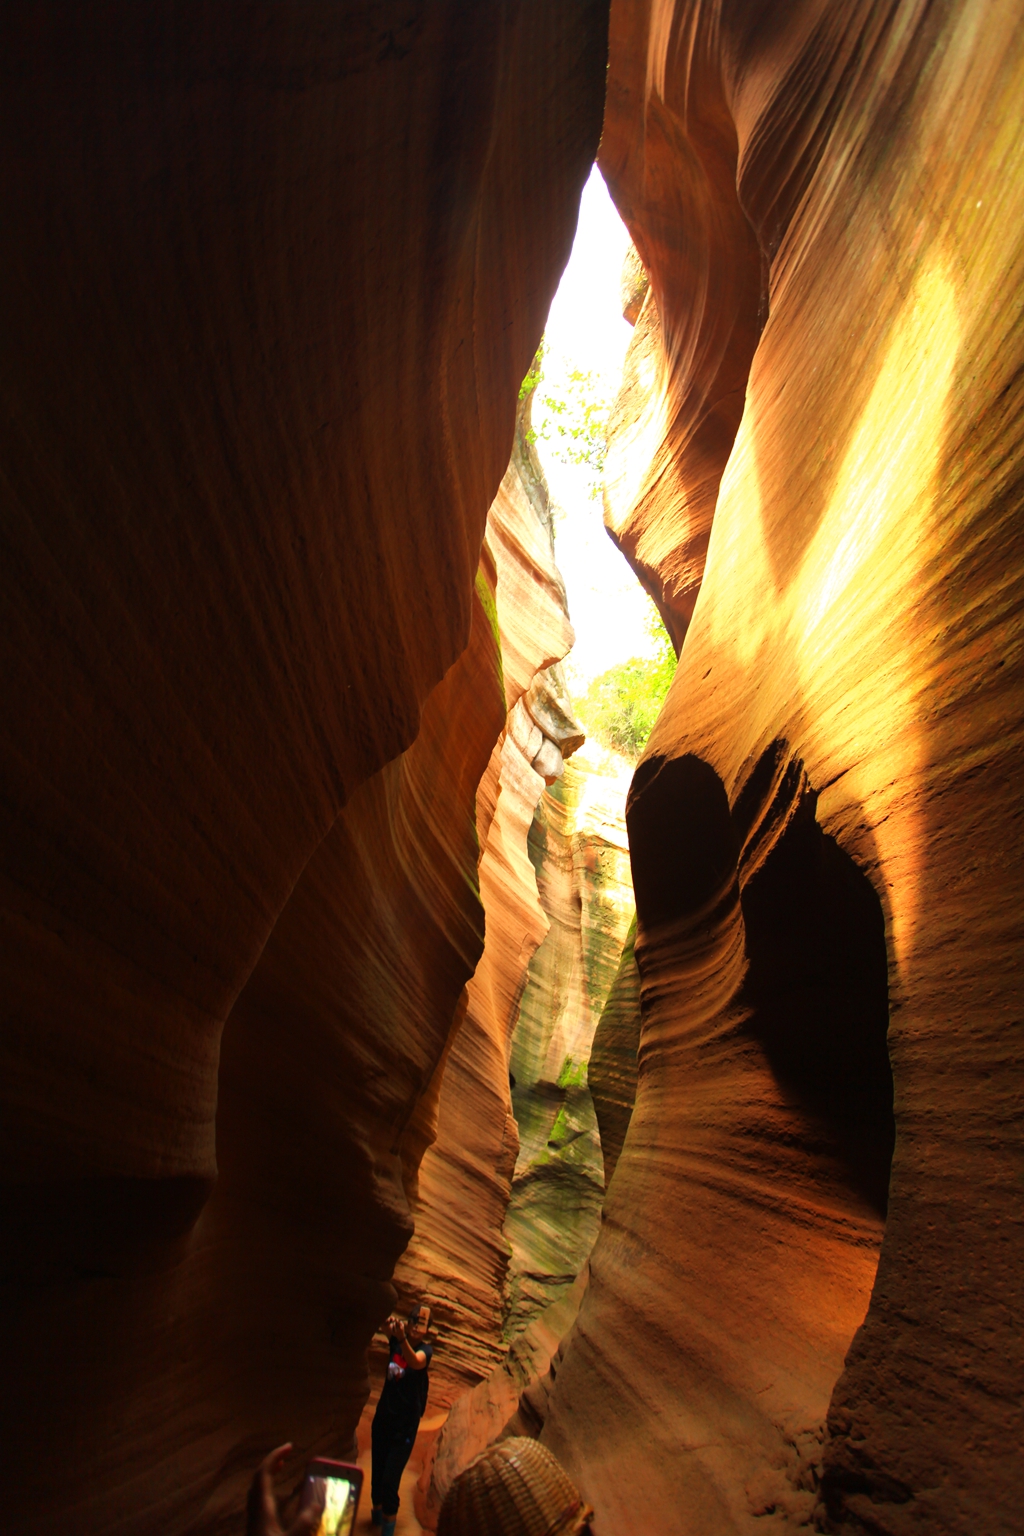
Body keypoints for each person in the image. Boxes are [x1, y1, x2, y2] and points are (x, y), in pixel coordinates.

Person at [370, 1303, 433, 1536]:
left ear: (427, 1329)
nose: (417, 1325)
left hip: (404, 1428)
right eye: (414, 1319)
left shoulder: (426, 1350)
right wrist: (388, 1325)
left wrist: (401, 1338)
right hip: (384, 1419)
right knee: (377, 1479)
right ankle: (375, 1522)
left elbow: (415, 1362)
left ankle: (387, 1529)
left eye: (422, 1322)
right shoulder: (396, 1340)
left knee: (389, 1481)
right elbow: (381, 1325)